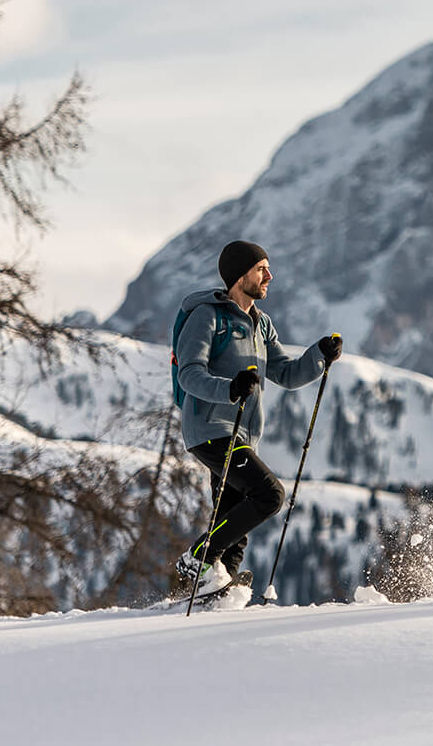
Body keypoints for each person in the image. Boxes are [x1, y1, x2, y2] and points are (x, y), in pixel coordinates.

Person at [169, 239, 341, 601]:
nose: (269, 276)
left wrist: (320, 356)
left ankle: (215, 591)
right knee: (268, 494)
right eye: (262, 268)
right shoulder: (207, 316)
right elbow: (189, 374)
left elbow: (287, 373)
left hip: (243, 434)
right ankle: (199, 557)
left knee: (234, 524)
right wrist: (229, 389)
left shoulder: (261, 325)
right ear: (240, 274)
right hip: (211, 429)